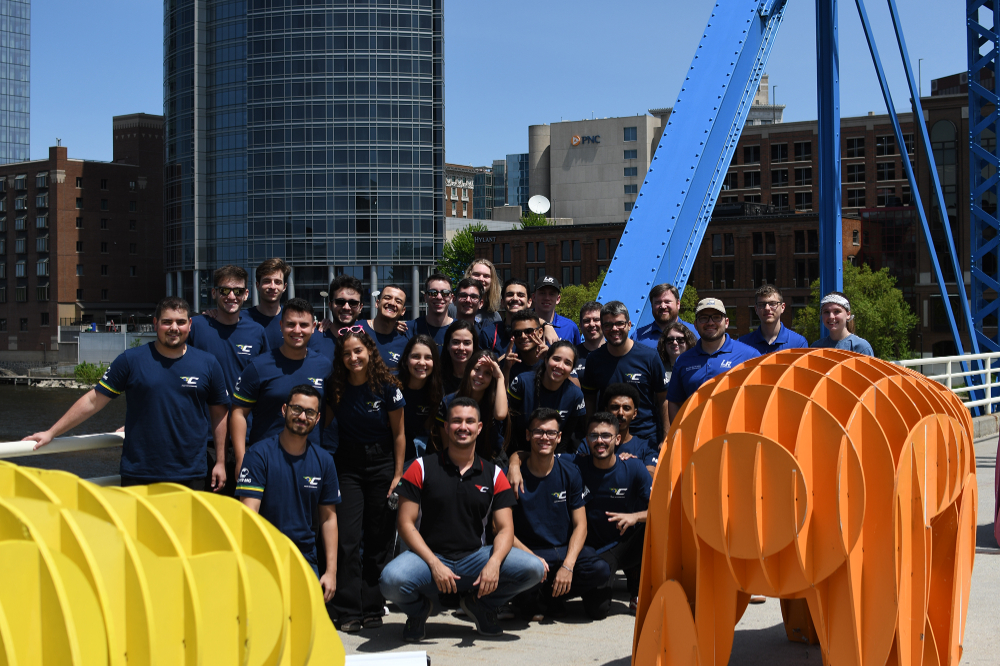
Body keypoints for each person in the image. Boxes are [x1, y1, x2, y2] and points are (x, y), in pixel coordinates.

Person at [379, 397, 546, 641]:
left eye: (470, 421)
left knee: (533, 568)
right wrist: (435, 564)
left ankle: (482, 606)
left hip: (475, 557)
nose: (463, 427)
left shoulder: (494, 474)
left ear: (479, 428)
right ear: (446, 427)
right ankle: (418, 611)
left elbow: (505, 529)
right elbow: (405, 524)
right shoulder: (420, 467)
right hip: (428, 558)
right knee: (391, 581)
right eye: (456, 421)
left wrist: (494, 563)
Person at [24, 297, 230, 490]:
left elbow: (219, 414)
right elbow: (93, 400)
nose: (174, 328)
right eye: (167, 322)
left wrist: (220, 462)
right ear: (156, 323)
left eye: (180, 322)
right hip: (140, 471)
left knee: (184, 530)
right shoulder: (131, 360)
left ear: (189, 325)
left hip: (190, 472)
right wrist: (52, 432)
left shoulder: (208, 363)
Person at [324, 330, 406, 632]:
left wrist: (398, 475)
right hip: (347, 466)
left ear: (369, 351)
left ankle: (372, 606)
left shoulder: (387, 387)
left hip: (383, 464)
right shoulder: (335, 387)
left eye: (358, 351)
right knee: (347, 538)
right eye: (347, 353)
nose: (353, 358)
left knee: (378, 536)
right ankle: (348, 609)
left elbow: (399, 434)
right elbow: (325, 424)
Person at [236, 385, 340, 602]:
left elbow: (329, 518)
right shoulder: (258, 455)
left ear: (318, 418)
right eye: (296, 409)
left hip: (303, 557)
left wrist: (330, 573)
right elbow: (248, 515)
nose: (302, 417)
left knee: (306, 627)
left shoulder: (324, 461)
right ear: (284, 410)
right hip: (263, 556)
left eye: (309, 412)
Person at [509, 408, 610, 620]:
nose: (545, 437)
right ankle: (531, 598)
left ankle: (550, 597)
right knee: (518, 574)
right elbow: (498, 528)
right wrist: (532, 559)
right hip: (530, 551)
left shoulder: (570, 472)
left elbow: (581, 525)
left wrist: (568, 565)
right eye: (538, 431)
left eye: (551, 433)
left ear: (559, 437)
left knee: (600, 569)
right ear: (528, 435)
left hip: (563, 550)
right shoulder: (512, 477)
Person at [188, 265, 268, 494]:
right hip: (204, 440)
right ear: (213, 293)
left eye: (237, 291)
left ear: (246, 294)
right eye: (224, 291)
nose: (231, 296)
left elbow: (264, 383)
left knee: (244, 513)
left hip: (249, 438)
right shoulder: (197, 327)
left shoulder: (256, 331)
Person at [232, 298, 334, 457]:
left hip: (309, 459)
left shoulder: (324, 367)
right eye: (291, 324)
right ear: (281, 326)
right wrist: (240, 458)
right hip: (265, 459)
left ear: (314, 327)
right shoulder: (258, 366)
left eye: (304, 325)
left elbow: (328, 410)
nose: (297, 330)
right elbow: (238, 413)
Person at [573, 413, 652, 614]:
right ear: (587, 440)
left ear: (617, 439)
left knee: (653, 527)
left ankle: (642, 590)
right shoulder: (576, 465)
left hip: (626, 545)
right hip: (595, 551)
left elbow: (663, 509)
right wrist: (513, 462)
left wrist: (636, 517)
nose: (600, 440)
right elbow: (534, 455)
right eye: (594, 435)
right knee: (596, 611)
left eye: (606, 436)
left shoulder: (634, 467)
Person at [581, 301, 668, 443]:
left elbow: (664, 399)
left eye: (619, 323)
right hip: (607, 438)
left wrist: (666, 438)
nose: (614, 329)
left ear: (629, 325)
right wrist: (590, 434)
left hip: (646, 437)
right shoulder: (594, 359)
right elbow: (589, 400)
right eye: (608, 325)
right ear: (602, 327)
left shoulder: (650, 356)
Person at [666, 298, 761, 423]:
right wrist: (677, 434)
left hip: (735, 436)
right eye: (704, 318)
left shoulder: (749, 355)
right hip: (695, 437)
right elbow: (675, 402)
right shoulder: (683, 360)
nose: (710, 322)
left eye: (716, 317)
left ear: (726, 322)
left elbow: (760, 399)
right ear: (695, 324)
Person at [507, 341, 586, 454]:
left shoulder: (575, 395)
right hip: (519, 452)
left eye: (567, 363)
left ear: (572, 369)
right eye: (556, 359)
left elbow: (567, 439)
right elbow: (509, 425)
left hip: (553, 456)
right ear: (546, 359)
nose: (560, 366)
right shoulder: (523, 382)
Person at [437, 350, 509, 462]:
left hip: (491, 459)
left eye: (487, 373)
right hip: (457, 458)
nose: (480, 376)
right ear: (468, 369)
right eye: (476, 369)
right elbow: (447, 445)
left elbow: (500, 414)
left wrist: (500, 377)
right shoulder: (449, 401)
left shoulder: (498, 400)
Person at [399, 334, 443, 463]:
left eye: (428, 357)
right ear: (406, 359)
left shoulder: (438, 390)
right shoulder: (394, 387)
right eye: (415, 356)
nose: (422, 363)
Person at [599, 382, 658, 474]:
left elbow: (651, 478)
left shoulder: (647, 447)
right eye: (615, 407)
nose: (620, 413)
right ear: (606, 411)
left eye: (626, 408)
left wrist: (633, 464)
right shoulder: (592, 443)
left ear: (634, 414)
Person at [310, 274, 366, 363]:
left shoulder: (367, 341)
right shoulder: (313, 340)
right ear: (330, 305)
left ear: (360, 308)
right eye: (340, 302)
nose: (346, 307)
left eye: (353, 303)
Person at [738, 285, 809, 354]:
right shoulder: (742, 344)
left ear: (783, 307)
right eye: (762, 304)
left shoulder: (798, 344)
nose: (767, 308)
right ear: (756, 309)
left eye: (773, 303)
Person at [358, 283, 412, 372]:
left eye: (398, 301)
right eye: (387, 298)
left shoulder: (404, 344)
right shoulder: (357, 330)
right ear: (377, 303)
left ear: (403, 311)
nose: (392, 303)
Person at [632, 283, 699, 349]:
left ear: (678, 304)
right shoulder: (638, 337)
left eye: (667, 301)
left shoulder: (695, 333)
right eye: (658, 302)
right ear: (652, 305)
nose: (663, 306)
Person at [245, 258, 290, 350]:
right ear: (258, 285)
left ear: (284, 287)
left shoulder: (292, 320)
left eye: (277, 282)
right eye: (267, 281)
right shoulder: (242, 319)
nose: (273, 286)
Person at [811, 291, 875, 356]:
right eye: (826, 312)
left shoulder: (860, 347)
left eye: (837, 311)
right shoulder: (816, 347)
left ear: (848, 315)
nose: (831, 316)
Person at [502, 310, 550, 382]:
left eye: (528, 331)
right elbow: (502, 392)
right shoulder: (508, 363)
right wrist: (506, 369)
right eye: (517, 333)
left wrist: (550, 361)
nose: (523, 336)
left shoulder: (554, 357)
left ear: (540, 332)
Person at [409, 273, 454, 349]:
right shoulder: (410, 329)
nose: (439, 297)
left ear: (451, 298)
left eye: (445, 293)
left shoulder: (460, 329)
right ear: (425, 297)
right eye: (433, 292)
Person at [532, 276, 581, 344]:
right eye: (542, 293)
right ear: (534, 297)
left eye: (551, 294)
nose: (547, 298)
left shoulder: (570, 327)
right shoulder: (523, 322)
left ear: (558, 299)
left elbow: (577, 354)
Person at [441, 319, 479, 394]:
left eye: (467, 343)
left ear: (473, 347)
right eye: (456, 342)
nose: (461, 348)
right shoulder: (437, 377)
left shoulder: (480, 377)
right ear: (448, 345)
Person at [575, 301, 605, 376]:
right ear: (580, 326)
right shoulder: (572, 355)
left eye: (596, 320)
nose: (591, 324)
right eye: (587, 321)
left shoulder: (615, 352)